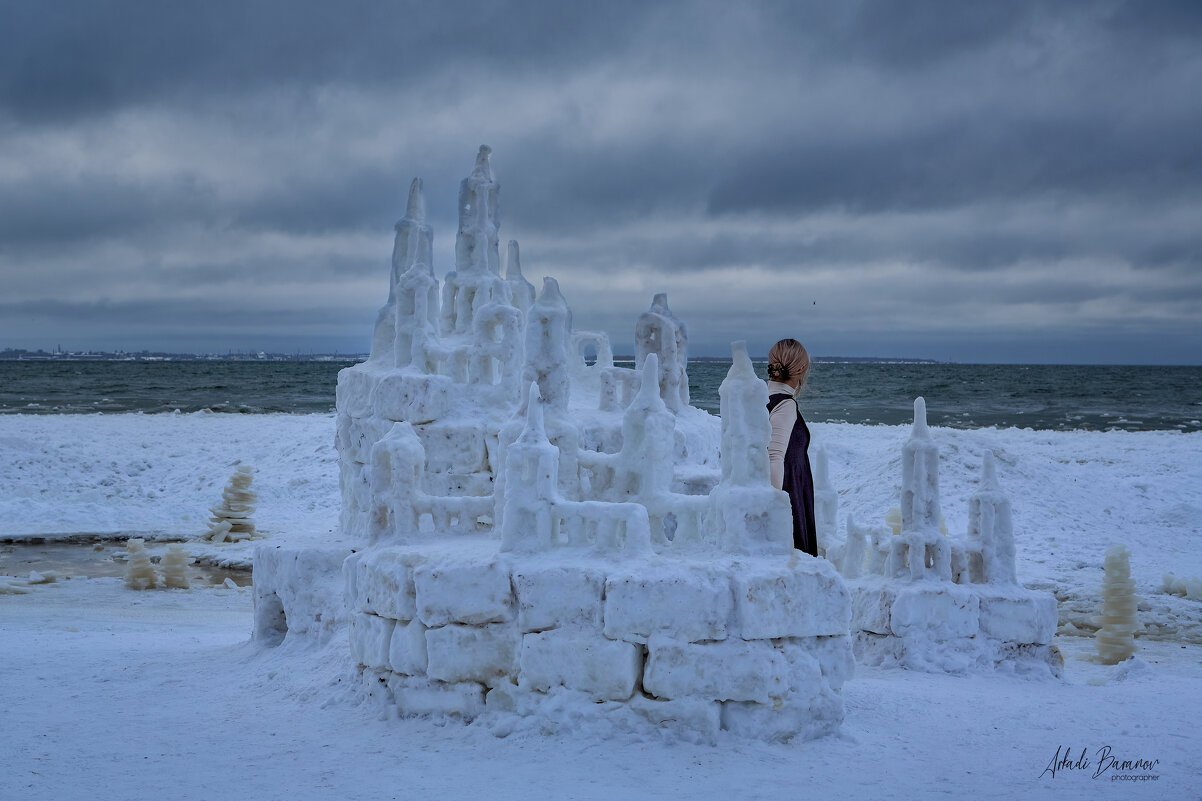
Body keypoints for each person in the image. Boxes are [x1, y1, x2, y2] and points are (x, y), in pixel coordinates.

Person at [766, 338, 817, 556]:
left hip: (790, 488)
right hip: (789, 493)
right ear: (802, 370)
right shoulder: (785, 405)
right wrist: (776, 510)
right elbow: (774, 457)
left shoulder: (759, 398)